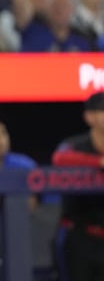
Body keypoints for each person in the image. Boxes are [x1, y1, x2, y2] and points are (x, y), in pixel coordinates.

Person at [51, 91, 104, 281]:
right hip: (79, 235)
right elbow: (59, 158)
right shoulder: (75, 144)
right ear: (89, 117)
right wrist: (97, 162)